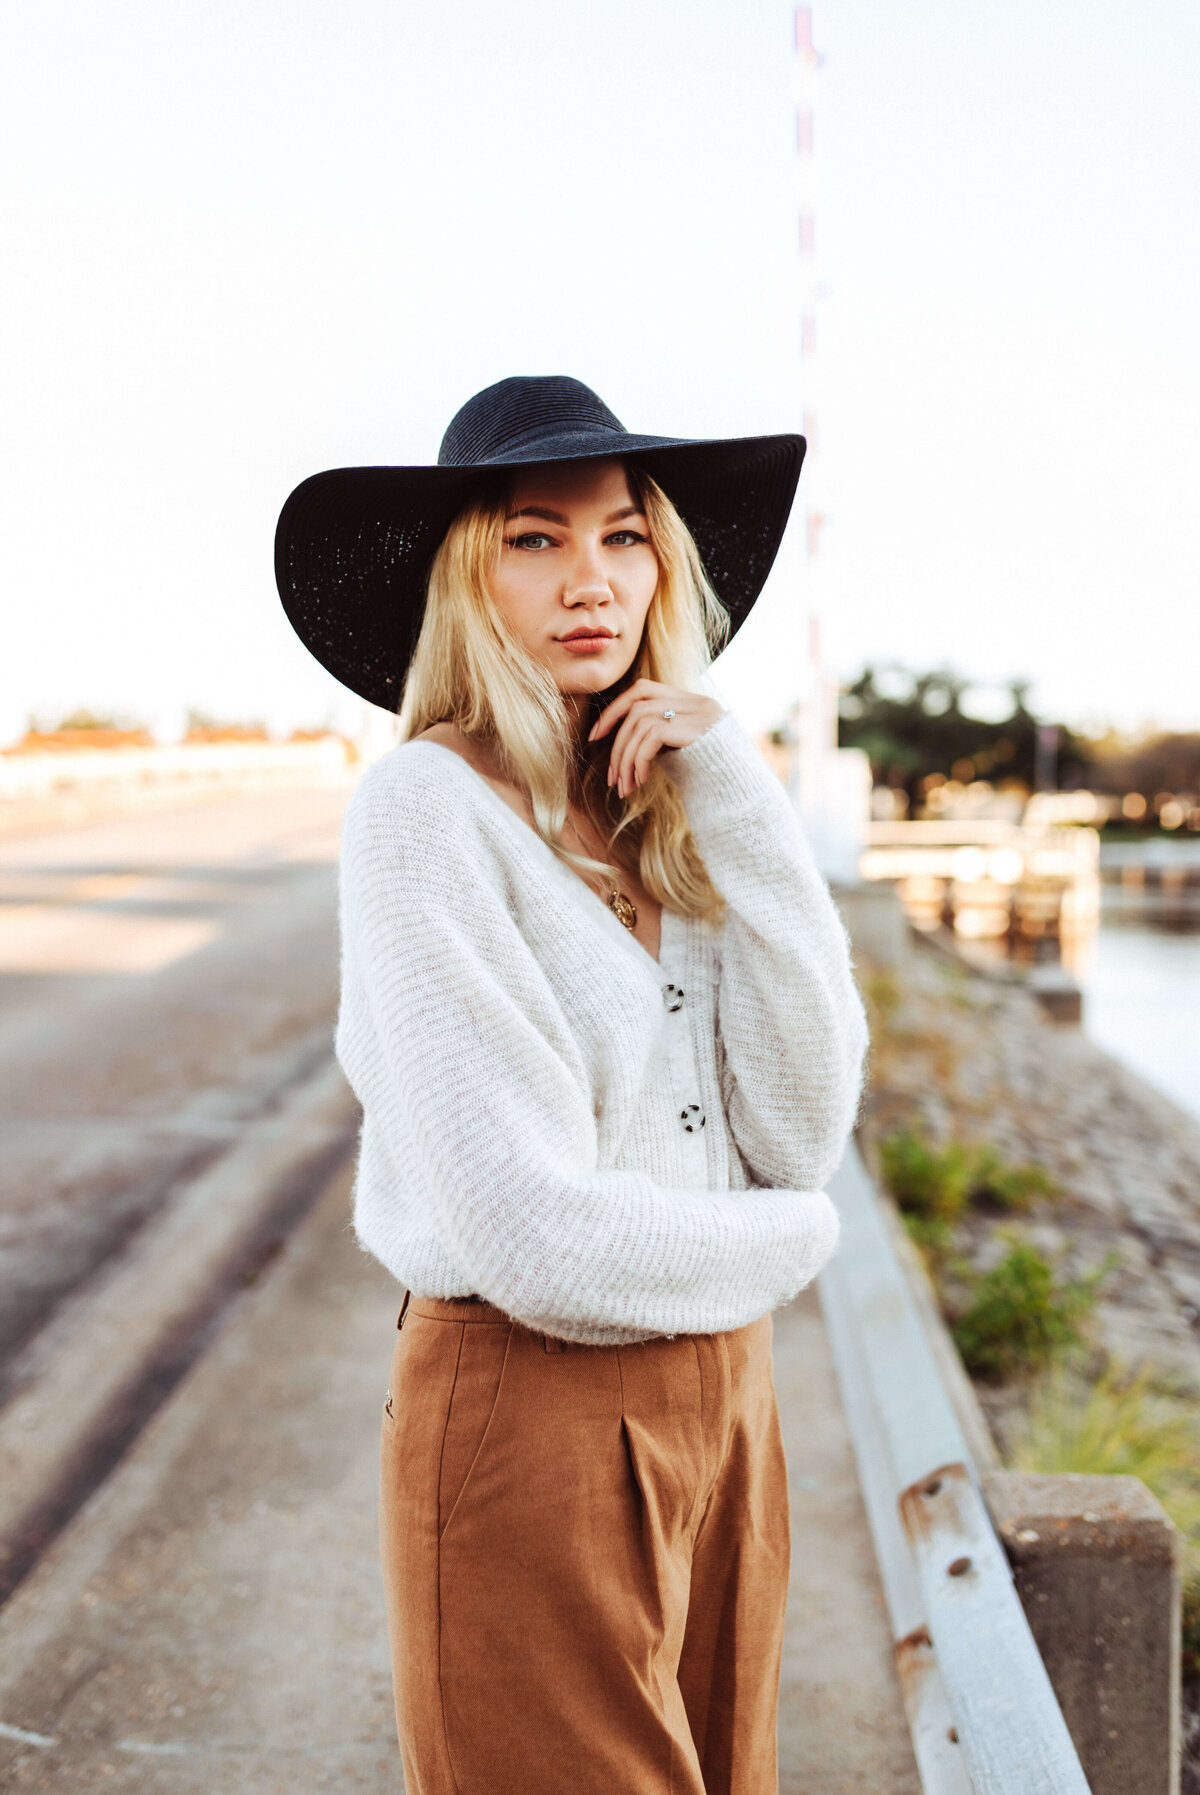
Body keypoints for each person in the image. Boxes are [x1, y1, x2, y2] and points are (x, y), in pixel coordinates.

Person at [274, 374, 868, 1795]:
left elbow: (799, 1125)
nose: (588, 582)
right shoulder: (424, 812)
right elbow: (537, 1238)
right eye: (535, 539)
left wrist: (743, 797)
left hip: (730, 1401)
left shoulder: (676, 807)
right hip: (530, 1404)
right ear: (467, 576)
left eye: (624, 537)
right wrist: (797, 1242)